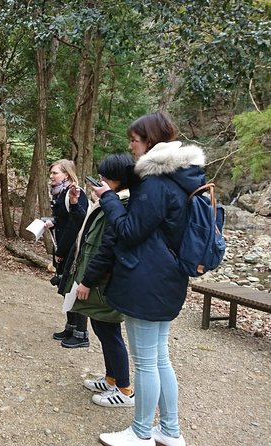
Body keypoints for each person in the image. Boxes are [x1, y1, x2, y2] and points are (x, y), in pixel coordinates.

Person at [92, 112, 200, 446]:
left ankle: (140, 433)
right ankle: (169, 430)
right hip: (166, 278)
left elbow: (129, 231)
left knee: (147, 362)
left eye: (135, 140)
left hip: (146, 281)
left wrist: (108, 199)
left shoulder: (156, 183)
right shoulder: (179, 178)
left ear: (150, 141)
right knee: (160, 358)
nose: (131, 146)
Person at [59, 153, 137, 408]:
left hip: (105, 283)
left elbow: (107, 249)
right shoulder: (109, 202)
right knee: (102, 328)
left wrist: (88, 281)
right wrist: (77, 203)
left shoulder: (121, 206)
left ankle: (124, 389)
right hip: (99, 281)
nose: (99, 181)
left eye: (104, 177)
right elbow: (87, 229)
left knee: (109, 330)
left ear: (117, 180)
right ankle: (111, 378)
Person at [45, 159, 90, 348]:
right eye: (51, 173)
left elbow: (75, 225)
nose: (52, 177)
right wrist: (53, 222)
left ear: (67, 174)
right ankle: (70, 327)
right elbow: (64, 220)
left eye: (55, 173)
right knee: (65, 288)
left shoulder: (75, 194)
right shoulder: (60, 193)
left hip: (73, 250)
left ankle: (81, 335)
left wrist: (61, 251)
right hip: (63, 247)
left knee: (73, 289)